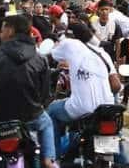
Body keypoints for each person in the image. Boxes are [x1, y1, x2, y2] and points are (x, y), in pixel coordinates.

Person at [0, 15, 54, 168]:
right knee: (48, 123)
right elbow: (44, 94)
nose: (0, 33)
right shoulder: (40, 58)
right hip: (32, 116)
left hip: (0, 118)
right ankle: (48, 160)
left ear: (10, 31)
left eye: (2, 29)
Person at [48, 21, 120, 159]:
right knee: (114, 132)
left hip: (81, 108)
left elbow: (51, 55)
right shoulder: (102, 53)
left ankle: (53, 160)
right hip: (107, 107)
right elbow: (116, 85)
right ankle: (122, 160)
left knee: (52, 111)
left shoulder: (70, 44)